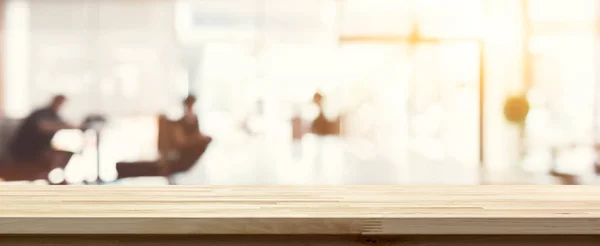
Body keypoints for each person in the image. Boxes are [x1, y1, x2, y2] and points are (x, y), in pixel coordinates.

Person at [8, 95, 76, 163]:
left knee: (66, 154)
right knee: (59, 156)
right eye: (60, 102)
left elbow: (63, 124)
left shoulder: (55, 115)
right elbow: (43, 127)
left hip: (40, 148)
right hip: (26, 148)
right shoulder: (41, 113)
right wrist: (65, 126)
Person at [170, 95, 212, 174]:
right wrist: (195, 138)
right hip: (185, 149)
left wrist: (203, 137)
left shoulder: (195, 118)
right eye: (189, 105)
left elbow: (198, 132)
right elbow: (181, 141)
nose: (191, 107)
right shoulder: (180, 121)